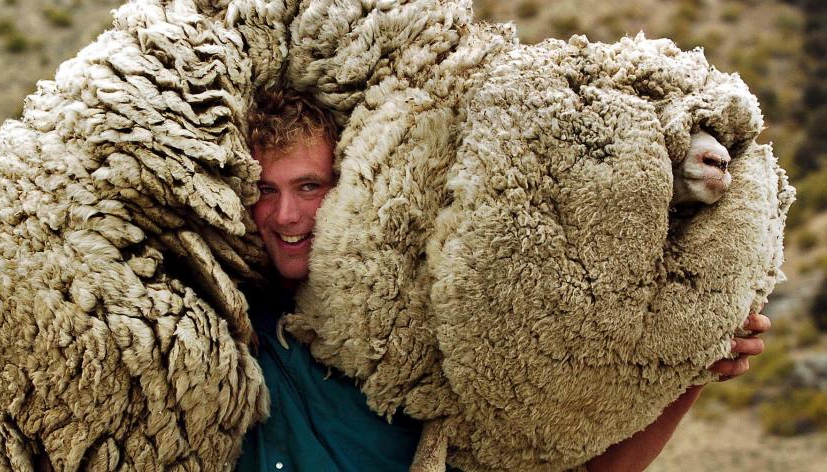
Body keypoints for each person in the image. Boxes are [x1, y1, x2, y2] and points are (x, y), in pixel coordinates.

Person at [235, 90, 770, 472]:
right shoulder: (218, 326)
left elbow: (584, 465)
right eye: (265, 190)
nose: (285, 215)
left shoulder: (418, 335)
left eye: (309, 186)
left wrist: (690, 365)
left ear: (353, 182)